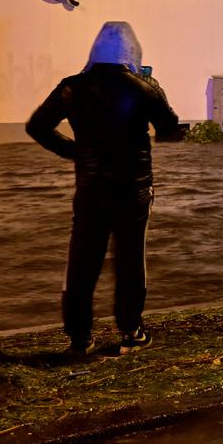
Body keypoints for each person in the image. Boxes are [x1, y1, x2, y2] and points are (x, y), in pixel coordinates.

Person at [26, 21, 181, 357]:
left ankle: (79, 338)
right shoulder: (144, 87)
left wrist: (74, 151)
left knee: (82, 260)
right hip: (134, 189)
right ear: (132, 52)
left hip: (91, 187)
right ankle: (130, 331)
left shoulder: (72, 87)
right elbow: (170, 129)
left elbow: (37, 127)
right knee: (130, 258)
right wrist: (151, 86)